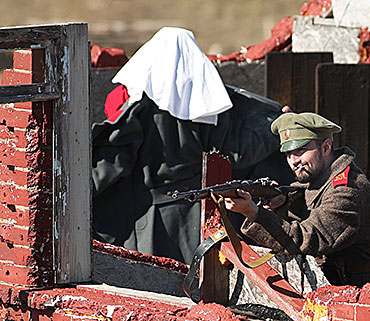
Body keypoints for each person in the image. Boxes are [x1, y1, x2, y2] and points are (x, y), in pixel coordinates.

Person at [91, 27, 292, 265]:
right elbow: (238, 155)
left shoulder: (137, 109)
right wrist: (277, 122)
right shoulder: (210, 108)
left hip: (149, 219)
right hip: (196, 217)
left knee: (155, 281)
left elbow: (114, 162)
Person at [224, 112, 370, 287]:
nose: (294, 161)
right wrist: (280, 208)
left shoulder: (346, 191)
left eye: (300, 151)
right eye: (288, 154)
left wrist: (253, 212)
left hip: (355, 291)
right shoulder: (316, 181)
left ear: (326, 147)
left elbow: (306, 239)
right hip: (329, 285)